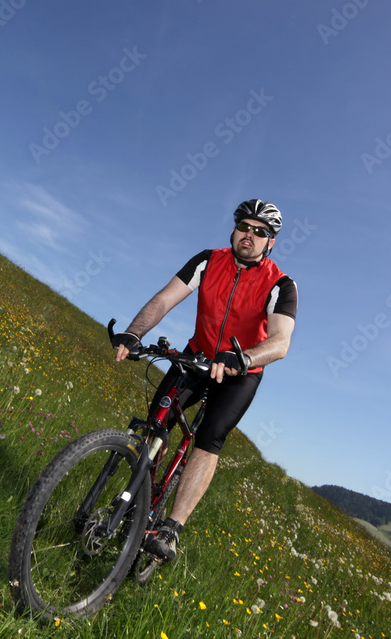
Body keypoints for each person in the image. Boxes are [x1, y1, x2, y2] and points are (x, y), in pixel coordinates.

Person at [112, 199, 298, 562]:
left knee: (209, 438)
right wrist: (134, 333)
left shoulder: (281, 284)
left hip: (240, 371)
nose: (251, 235)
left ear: (270, 242)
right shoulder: (208, 260)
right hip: (197, 356)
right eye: (245, 226)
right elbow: (166, 298)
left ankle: (171, 527)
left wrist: (243, 358)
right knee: (156, 423)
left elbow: (281, 342)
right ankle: (141, 497)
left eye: (261, 232)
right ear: (233, 229)